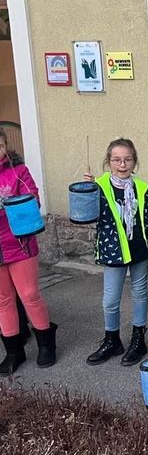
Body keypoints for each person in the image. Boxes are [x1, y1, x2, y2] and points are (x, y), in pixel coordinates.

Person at [84, 138, 148, 367]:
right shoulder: (98, 186)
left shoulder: (143, 188)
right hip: (113, 250)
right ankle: (112, 339)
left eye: (127, 159)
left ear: (134, 161)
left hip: (138, 248)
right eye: (116, 159)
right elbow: (84, 216)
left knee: (139, 292)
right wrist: (86, 191)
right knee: (110, 299)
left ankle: (139, 339)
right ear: (108, 161)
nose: (122, 164)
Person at [0, 127, 57, 373]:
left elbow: (33, 200)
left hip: (19, 244)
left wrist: (12, 207)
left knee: (30, 294)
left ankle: (46, 343)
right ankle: (14, 352)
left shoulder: (18, 171)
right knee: (3, 301)